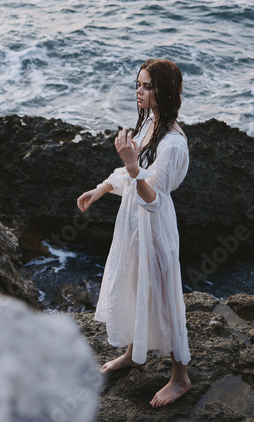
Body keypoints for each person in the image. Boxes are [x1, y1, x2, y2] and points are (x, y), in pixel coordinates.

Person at [76, 58, 191, 408]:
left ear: (163, 91)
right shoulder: (151, 123)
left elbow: (154, 199)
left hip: (154, 226)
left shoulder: (173, 143)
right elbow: (131, 174)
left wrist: (131, 166)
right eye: (137, 84)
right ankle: (134, 352)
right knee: (133, 283)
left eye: (145, 86)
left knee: (164, 296)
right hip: (133, 223)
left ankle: (180, 377)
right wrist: (101, 188)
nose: (138, 91)